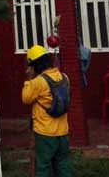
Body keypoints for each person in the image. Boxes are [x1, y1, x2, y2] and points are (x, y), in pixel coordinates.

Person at [22, 45, 72, 177]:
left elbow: (26, 98)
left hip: (44, 134)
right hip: (63, 132)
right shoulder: (65, 77)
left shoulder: (38, 82)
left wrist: (29, 79)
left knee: (42, 167)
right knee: (63, 165)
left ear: (34, 65)